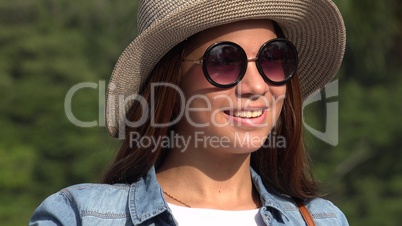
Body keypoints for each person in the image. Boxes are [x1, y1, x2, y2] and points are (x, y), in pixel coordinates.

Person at [29, 0, 348, 225]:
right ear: (170, 83)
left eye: (273, 59)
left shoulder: (323, 220)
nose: (256, 86)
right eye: (224, 62)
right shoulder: (79, 216)